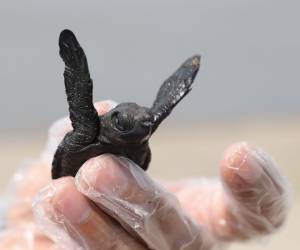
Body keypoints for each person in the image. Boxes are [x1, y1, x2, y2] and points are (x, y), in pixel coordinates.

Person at [0, 100, 291, 250]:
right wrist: (18, 226)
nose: (142, 127)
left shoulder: (139, 130)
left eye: (147, 124)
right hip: (69, 178)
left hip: (119, 184)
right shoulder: (90, 127)